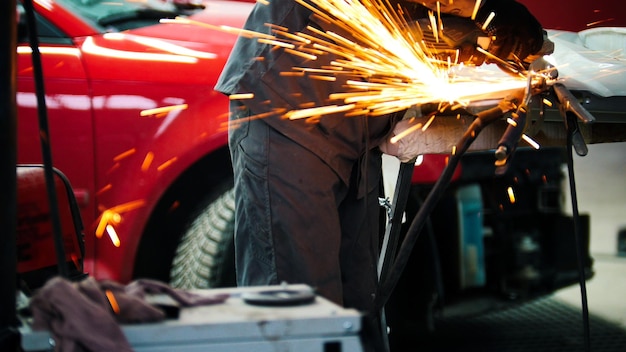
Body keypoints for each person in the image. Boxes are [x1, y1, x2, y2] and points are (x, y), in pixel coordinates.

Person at [214, 0, 548, 349]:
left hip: (355, 119)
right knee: (300, 320)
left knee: (358, 311)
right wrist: (485, 7)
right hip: (290, 107)